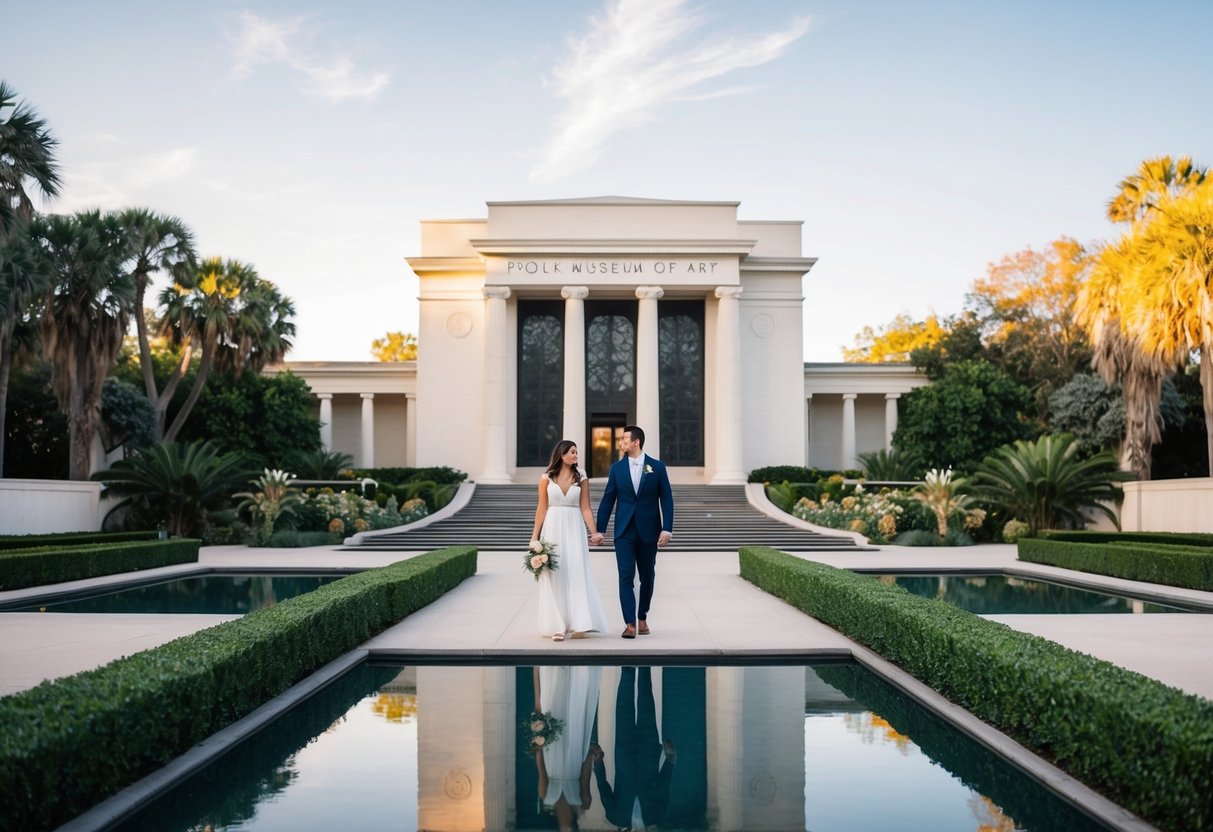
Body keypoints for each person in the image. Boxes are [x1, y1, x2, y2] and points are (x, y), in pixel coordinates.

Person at [595, 425, 673, 639]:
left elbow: (666, 498)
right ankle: (629, 623)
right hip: (624, 531)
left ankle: (642, 617)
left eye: (624, 439)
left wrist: (667, 528)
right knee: (625, 576)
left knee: (647, 577)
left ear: (636, 442)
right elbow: (608, 499)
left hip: (650, 531)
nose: (621, 443)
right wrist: (599, 529)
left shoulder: (657, 467)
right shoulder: (616, 469)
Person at [531, 439, 610, 641]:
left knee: (576, 571)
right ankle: (557, 626)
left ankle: (578, 623)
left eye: (576, 452)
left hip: (574, 528)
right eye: (573, 452)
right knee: (555, 573)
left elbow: (585, 507)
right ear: (562, 454)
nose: (576, 455)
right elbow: (542, 508)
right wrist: (534, 538)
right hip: (553, 527)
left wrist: (594, 532)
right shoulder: (546, 477)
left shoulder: (581, 476)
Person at [591, 666, 677, 830]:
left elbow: (603, 786)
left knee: (624, 709)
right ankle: (645, 667)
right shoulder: (657, 815)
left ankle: (627, 668)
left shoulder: (615, 817)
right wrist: (671, 759)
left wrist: (598, 762)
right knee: (647, 708)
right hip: (648, 755)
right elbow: (664, 784)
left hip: (624, 756)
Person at [532, 665, 602, 832]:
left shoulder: (546, 798)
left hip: (552, 754)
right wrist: (588, 749)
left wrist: (539, 741)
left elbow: (541, 767)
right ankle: (579, 667)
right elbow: (586, 773)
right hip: (575, 754)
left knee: (551, 704)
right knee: (576, 708)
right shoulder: (582, 803)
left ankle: (549, 668)